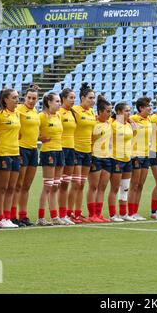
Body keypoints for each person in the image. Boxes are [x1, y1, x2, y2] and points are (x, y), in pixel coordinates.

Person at [36, 93, 68, 226]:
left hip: (59, 151)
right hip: (48, 152)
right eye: (57, 101)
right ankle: (41, 217)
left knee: (56, 185)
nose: (59, 104)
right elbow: (34, 133)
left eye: (60, 101)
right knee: (47, 186)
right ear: (48, 102)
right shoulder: (41, 116)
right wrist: (39, 138)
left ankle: (54, 217)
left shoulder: (58, 115)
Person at [11, 85, 40, 227]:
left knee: (27, 185)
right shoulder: (18, 110)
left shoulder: (35, 111)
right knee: (18, 184)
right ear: (24, 98)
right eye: (29, 98)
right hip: (21, 149)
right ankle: (12, 215)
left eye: (34, 98)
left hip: (33, 149)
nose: (31, 100)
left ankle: (23, 216)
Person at [0, 88, 21, 228]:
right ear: (5, 99)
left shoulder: (17, 113)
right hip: (3, 153)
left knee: (12, 187)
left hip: (15, 153)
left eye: (17, 97)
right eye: (14, 97)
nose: (17, 100)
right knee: (2, 187)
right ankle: (0, 218)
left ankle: (7, 216)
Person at [71, 83, 97, 222]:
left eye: (94, 98)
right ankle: (69, 213)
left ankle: (78, 212)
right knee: (76, 183)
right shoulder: (75, 110)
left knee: (82, 184)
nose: (93, 100)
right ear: (82, 98)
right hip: (76, 150)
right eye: (90, 98)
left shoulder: (92, 112)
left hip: (88, 151)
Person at [86, 95, 112, 222]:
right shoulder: (94, 123)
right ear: (100, 112)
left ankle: (99, 214)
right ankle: (92, 215)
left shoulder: (110, 123)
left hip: (107, 158)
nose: (109, 114)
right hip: (95, 157)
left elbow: (124, 117)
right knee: (93, 187)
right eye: (107, 111)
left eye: (110, 111)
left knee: (102, 187)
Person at [108, 102, 135, 221]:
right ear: (119, 112)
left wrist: (133, 125)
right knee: (114, 188)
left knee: (125, 188)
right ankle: (113, 214)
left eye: (130, 111)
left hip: (127, 159)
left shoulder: (128, 125)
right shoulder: (113, 124)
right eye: (126, 111)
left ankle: (124, 213)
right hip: (116, 159)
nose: (129, 113)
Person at [127, 97, 152, 221]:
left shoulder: (149, 120)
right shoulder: (133, 119)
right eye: (148, 105)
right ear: (141, 108)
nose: (150, 107)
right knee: (134, 185)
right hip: (136, 155)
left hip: (146, 155)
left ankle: (135, 211)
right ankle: (130, 212)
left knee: (141, 185)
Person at [58, 88, 79, 223]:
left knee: (67, 183)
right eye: (70, 97)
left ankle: (65, 213)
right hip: (61, 149)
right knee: (58, 184)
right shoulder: (59, 112)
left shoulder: (73, 113)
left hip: (71, 149)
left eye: (74, 97)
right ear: (63, 99)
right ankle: (59, 214)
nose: (73, 100)